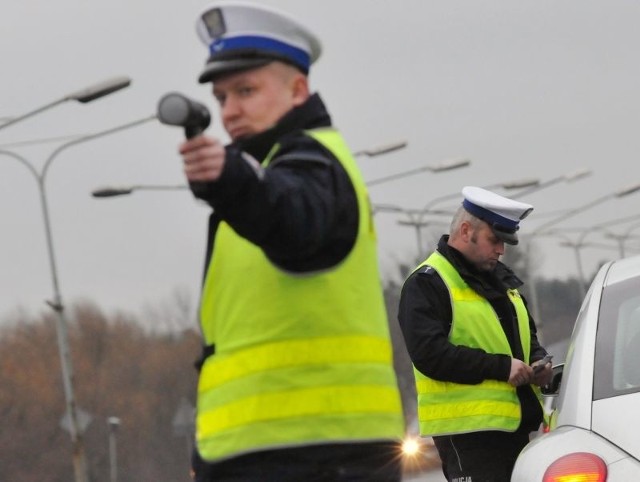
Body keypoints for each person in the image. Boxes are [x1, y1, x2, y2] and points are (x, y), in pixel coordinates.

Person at [177, 3, 405, 481]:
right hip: (265, 452)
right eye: (221, 97)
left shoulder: (312, 162)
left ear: (298, 89)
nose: (230, 110)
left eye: (246, 90)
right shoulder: (270, 172)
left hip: (321, 453)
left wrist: (231, 180)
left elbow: (295, 222)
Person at [397, 186, 554, 482]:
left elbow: (525, 338)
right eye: (494, 240)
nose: (501, 250)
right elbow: (429, 355)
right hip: (468, 437)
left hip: (515, 430)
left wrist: (537, 361)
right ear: (466, 230)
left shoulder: (501, 281)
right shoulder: (427, 283)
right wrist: (501, 367)